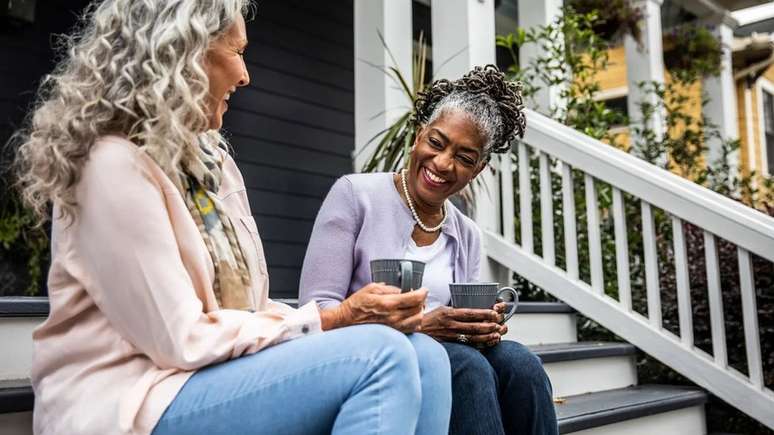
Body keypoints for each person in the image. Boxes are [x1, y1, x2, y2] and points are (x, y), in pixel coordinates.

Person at [12, 1, 451, 434]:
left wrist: (338, 321)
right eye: (237, 52)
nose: (245, 75)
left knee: (426, 355)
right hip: (130, 400)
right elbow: (179, 338)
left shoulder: (211, 163)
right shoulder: (112, 165)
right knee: (380, 356)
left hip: (212, 377)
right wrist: (334, 319)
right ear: (180, 52)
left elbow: (250, 310)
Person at [299, 65, 558, 435]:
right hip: (370, 354)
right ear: (419, 135)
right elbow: (317, 310)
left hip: (449, 354)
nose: (442, 164)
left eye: (464, 158)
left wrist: (480, 326)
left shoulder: (466, 233)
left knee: (521, 362)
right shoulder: (354, 196)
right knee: (467, 366)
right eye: (436, 143)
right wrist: (422, 326)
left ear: (478, 168)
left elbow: (460, 324)